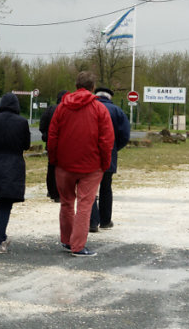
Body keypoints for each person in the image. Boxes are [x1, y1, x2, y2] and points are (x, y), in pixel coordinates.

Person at [47, 71, 114, 258]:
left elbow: (53, 136)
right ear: (93, 87)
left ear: (76, 85)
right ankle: (78, 246)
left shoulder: (62, 107)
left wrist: (54, 160)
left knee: (66, 203)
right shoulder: (99, 109)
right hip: (91, 165)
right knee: (85, 205)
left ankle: (67, 240)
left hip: (64, 164)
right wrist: (104, 164)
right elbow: (106, 140)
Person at [0, 92, 31, 254]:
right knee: (6, 203)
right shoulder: (22, 122)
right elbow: (26, 144)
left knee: (0, 201)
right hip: (14, 163)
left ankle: (2, 236)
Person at [89, 86, 132, 232]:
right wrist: (114, 147)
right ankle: (105, 221)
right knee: (106, 187)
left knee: (90, 187)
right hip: (109, 153)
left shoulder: (89, 108)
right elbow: (125, 134)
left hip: (90, 154)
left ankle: (92, 222)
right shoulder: (117, 111)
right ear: (110, 97)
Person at [37, 90, 67, 202]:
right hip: (65, 144)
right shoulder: (68, 110)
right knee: (63, 169)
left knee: (51, 167)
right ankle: (60, 192)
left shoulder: (50, 109)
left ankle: (51, 191)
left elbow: (42, 126)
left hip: (51, 143)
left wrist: (46, 135)